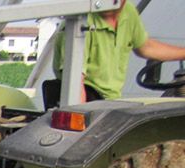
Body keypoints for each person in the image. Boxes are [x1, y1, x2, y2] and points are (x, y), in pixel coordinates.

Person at [53, 0, 185, 101]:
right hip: (89, 100)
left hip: (112, 102)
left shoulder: (128, 12)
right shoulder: (80, 23)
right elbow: (75, 86)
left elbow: (145, 47)